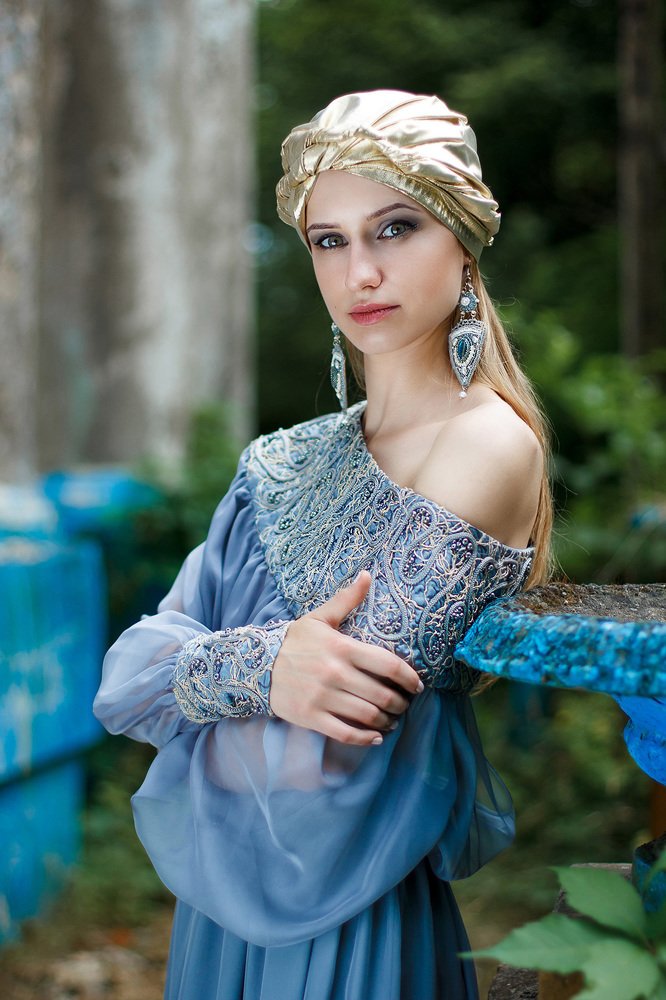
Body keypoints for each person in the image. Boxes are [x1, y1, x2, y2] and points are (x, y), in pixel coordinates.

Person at [94, 90, 553, 1000]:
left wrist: (218, 670)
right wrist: (270, 667)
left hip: (348, 906)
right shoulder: (281, 460)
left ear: (463, 240)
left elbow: (327, 752)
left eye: (396, 228)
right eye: (329, 240)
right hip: (218, 915)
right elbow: (125, 682)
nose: (361, 273)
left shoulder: (488, 445)